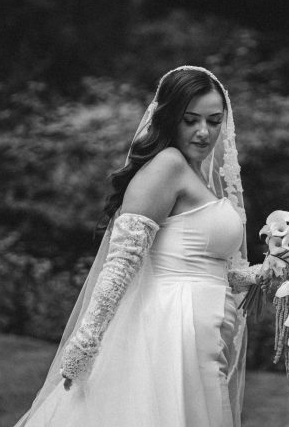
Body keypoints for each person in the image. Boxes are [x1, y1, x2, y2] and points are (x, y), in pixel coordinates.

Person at [14, 66, 264, 427]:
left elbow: (207, 266)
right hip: (170, 329)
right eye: (191, 120)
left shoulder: (196, 174)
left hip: (204, 332)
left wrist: (263, 273)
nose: (204, 132)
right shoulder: (167, 166)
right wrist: (85, 343)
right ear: (170, 117)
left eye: (214, 121)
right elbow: (122, 260)